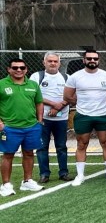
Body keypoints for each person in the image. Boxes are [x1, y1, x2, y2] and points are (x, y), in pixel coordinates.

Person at [63, 49, 106, 186]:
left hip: (102, 116)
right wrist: (82, 103)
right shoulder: (75, 77)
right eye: (89, 58)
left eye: (95, 58)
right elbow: (67, 96)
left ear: (98, 60)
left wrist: (103, 103)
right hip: (83, 116)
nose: (92, 61)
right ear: (84, 60)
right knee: (81, 144)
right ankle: (80, 175)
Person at [0, 58, 44, 196]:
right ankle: (6, 185)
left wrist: (39, 121)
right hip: (10, 127)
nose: (19, 70)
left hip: (31, 126)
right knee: (8, 155)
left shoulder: (33, 84)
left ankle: (27, 181)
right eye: (15, 68)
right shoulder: (1, 84)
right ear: (9, 69)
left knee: (29, 153)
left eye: (22, 68)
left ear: (26, 69)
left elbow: (39, 102)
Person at [33, 51, 71, 183]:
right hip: (42, 119)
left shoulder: (67, 77)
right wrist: (53, 104)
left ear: (59, 63)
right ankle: (44, 174)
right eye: (50, 61)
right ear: (44, 63)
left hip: (61, 118)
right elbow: (34, 95)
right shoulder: (37, 76)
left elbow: (72, 96)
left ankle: (63, 173)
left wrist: (58, 107)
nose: (53, 63)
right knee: (42, 147)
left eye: (55, 61)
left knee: (61, 147)